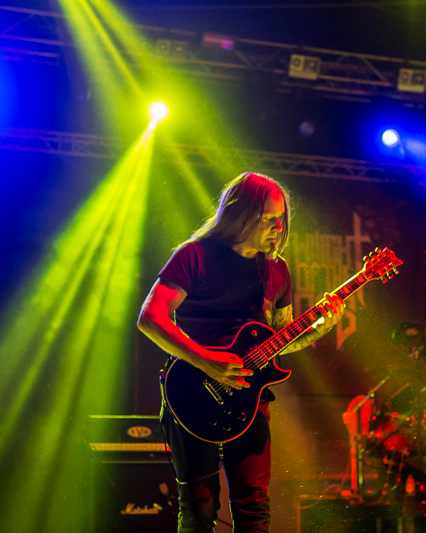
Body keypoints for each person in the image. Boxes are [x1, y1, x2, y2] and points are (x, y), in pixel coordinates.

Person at [138, 172, 344, 532]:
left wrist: (319, 329)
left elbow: (281, 337)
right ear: (240, 214)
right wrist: (206, 361)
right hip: (192, 393)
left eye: (281, 218)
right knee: (199, 510)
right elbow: (150, 317)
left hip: (250, 401)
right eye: (268, 218)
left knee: (254, 508)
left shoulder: (276, 270)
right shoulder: (195, 255)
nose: (278, 227)